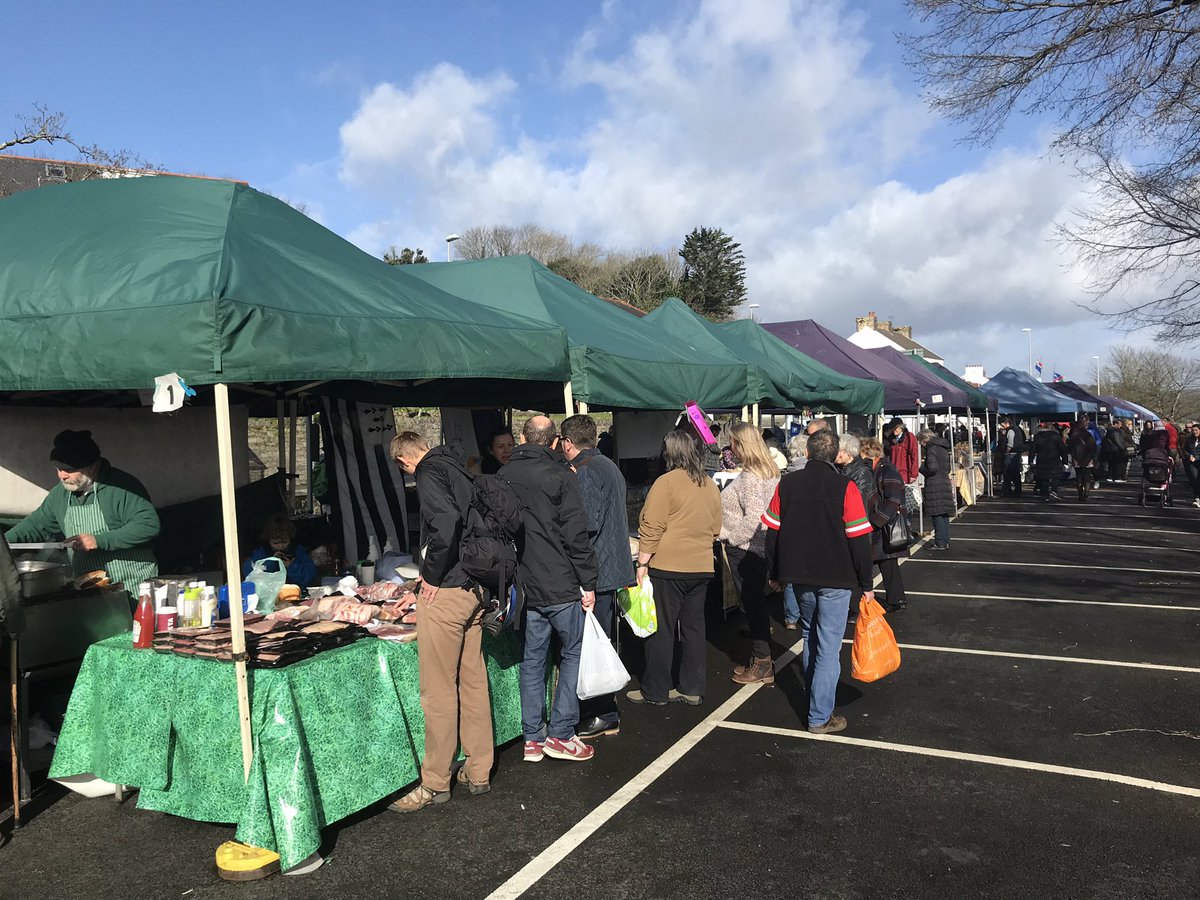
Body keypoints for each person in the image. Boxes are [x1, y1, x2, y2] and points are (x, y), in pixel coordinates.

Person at [388, 432, 493, 811]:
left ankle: (435, 781)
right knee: (473, 683)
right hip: (476, 588)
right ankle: (479, 770)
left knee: (438, 691)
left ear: (404, 461)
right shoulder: (459, 469)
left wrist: (430, 575)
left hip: (447, 592)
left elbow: (446, 522)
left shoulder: (429, 473)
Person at [762, 430, 875, 734]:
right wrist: (867, 583)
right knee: (827, 646)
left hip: (799, 576)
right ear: (835, 454)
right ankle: (819, 715)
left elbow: (771, 533)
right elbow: (859, 539)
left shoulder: (787, 484)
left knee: (811, 636)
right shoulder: (845, 487)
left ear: (808, 453)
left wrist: (774, 573)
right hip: (836, 579)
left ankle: (817, 703)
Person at [501, 416, 599, 763]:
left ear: (522, 438)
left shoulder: (504, 476)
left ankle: (533, 737)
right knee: (571, 653)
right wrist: (589, 582)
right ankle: (560, 734)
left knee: (533, 658)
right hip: (560, 581)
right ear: (554, 441)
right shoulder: (559, 476)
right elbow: (577, 535)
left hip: (525, 583)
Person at [628, 429, 721, 707]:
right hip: (702, 566)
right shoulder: (708, 483)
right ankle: (692, 687)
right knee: (694, 629)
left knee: (662, 630)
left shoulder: (665, 483)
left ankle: (656, 690)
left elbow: (652, 525)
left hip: (668, 566)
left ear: (668, 452)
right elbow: (716, 528)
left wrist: (642, 562)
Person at [559, 414, 635, 739]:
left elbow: (586, 523)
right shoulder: (608, 464)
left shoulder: (586, 470)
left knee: (594, 644)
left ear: (567, 442)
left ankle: (602, 713)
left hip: (597, 570)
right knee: (602, 641)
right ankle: (604, 711)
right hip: (612, 565)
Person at [6, 430, 160, 589]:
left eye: (69, 470)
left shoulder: (122, 487)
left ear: (92, 467)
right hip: (88, 588)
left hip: (131, 585)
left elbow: (148, 525)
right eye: (58, 468)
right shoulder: (60, 494)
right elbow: (36, 524)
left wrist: (98, 540)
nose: (62, 476)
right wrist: (4, 543)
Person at [719, 423, 781, 686]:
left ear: (741, 444)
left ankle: (762, 663)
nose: (730, 447)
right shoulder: (769, 472)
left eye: (733, 442)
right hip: (758, 547)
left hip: (746, 548)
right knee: (755, 605)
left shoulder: (752, 477)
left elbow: (755, 517)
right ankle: (761, 658)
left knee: (752, 604)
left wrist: (730, 537)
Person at [860, 437, 908, 612]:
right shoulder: (878, 469)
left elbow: (893, 500)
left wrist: (875, 521)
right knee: (887, 563)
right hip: (880, 525)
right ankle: (896, 599)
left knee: (887, 563)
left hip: (884, 526)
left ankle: (896, 600)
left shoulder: (887, 470)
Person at [243, 513, 317, 588]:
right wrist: (271, 563)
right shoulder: (261, 553)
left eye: (285, 542)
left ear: (290, 538)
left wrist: (292, 566)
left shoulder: (299, 552)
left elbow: (309, 576)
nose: (280, 546)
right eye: (275, 543)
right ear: (268, 540)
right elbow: (250, 575)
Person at [916, 429, 954, 550]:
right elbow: (947, 468)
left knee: (937, 515)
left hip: (935, 484)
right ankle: (945, 540)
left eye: (920, 441)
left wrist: (921, 469)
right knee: (944, 515)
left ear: (924, 440)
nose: (921, 445)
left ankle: (940, 542)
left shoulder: (931, 449)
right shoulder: (942, 448)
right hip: (944, 481)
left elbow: (932, 468)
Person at [1031, 422, 1068, 502]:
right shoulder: (1056, 437)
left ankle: (1046, 494)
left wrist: (1031, 460)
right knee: (1056, 476)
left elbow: (1033, 450)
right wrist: (1065, 461)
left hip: (1042, 460)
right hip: (1054, 459)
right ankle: (1053, 491)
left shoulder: (1037, 437)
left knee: (1044, 477)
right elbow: (1062, 449)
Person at [1067, 421, 1098, 503]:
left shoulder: (1074, 437)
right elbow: (1094, 447)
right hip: (1088, 459)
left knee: (1079, 477)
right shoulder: (1088, 436)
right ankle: (1086, 493)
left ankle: (1080, 494)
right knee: (1087, 477)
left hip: (1077, 460)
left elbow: (1069, 448)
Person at [885, 418, 919, 485]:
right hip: (893, 472)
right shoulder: (891, 439)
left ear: (901, 427)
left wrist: (913, 474)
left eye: (895, 428)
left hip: (904, 473)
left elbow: (914, 455)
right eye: (892, 428)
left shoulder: (909, 437)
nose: (893, 430)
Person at [999, 417, 1028, 496]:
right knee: (1015, 473)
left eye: (1002, 425)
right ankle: (1018, 490)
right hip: (1017, 453)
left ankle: (1007, 490)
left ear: (1006, 423)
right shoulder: (1017, 429)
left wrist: (1006, 452)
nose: (1002, 427)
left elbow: (1010, 443)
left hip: (1011, 454)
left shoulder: (1011, 430)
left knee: (1008, 472)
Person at [1184, 422, 1200, 507]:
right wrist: (1189, 456)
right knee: (1195, 480)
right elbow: (1185, 450)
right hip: (1192, 463)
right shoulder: (1189, 439)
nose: (1194, 432)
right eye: (1193, 430)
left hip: (1198, 461)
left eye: (1196, 430)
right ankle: (1196, 498)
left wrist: (1196, 458)